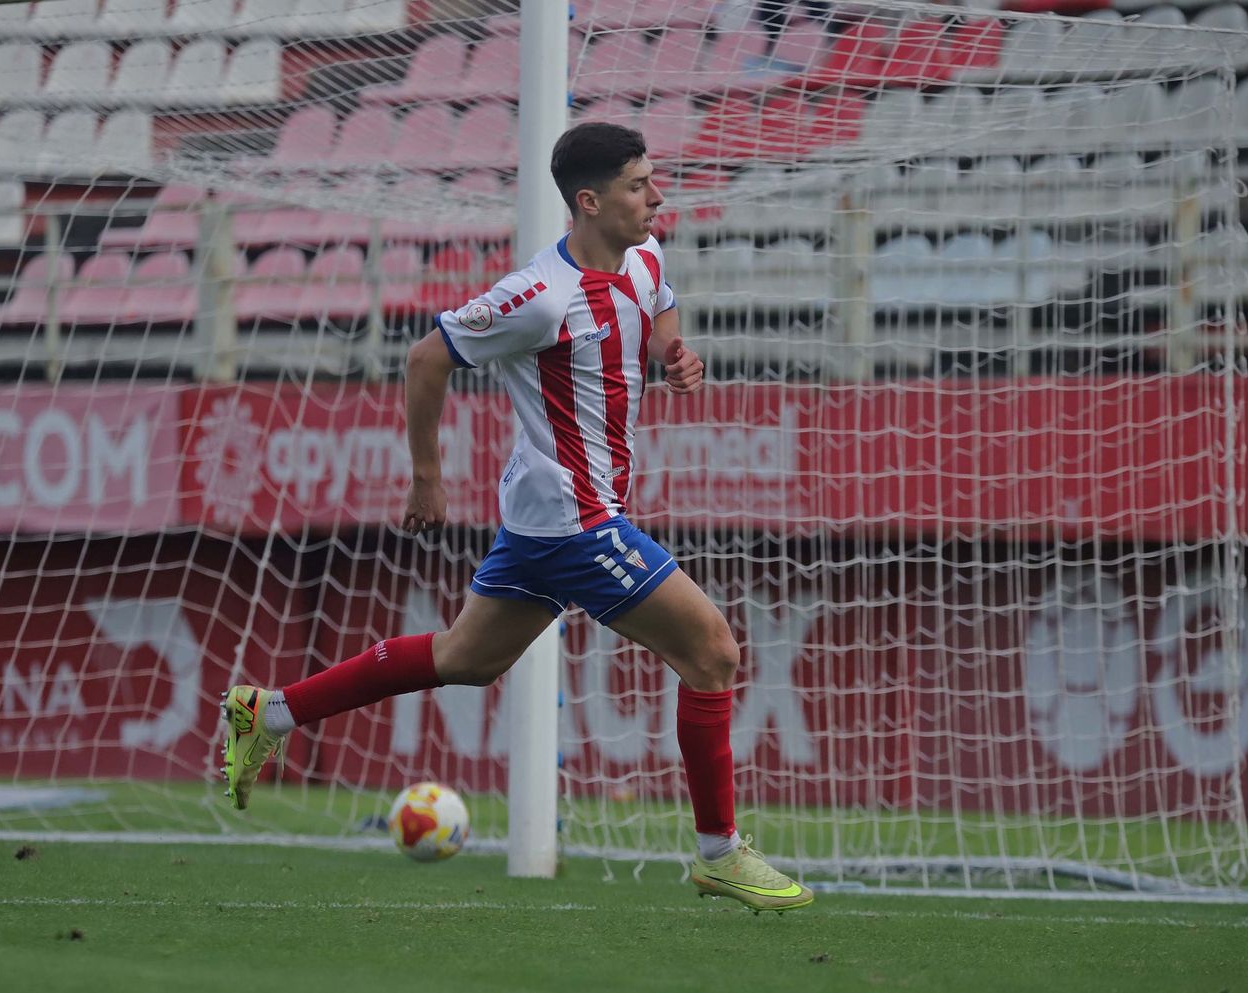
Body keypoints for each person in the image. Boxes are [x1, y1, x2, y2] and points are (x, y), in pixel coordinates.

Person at [220, 122, 814, 914]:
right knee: (712, 651)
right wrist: (427, 476)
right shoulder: (539, 296)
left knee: (466, 656)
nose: (657, 196)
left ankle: (270, 711)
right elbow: (428, 358)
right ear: (590, 201)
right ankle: (719, 852)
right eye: (640, 185)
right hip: (576, 521)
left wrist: (675, 354)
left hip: (542, 518)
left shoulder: (643, 255)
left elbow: (663, 308)